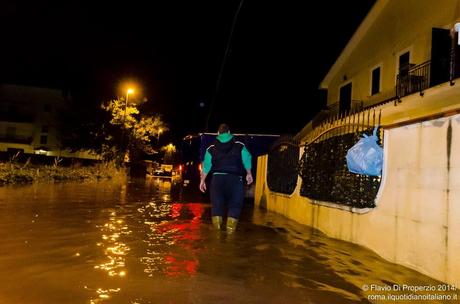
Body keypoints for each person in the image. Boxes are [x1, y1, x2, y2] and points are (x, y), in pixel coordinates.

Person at [199, 123, 253, 233]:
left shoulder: (211, 148)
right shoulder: (239, 145)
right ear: (229, 132)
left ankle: (217, 237)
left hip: (217, 180)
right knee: (235, 206)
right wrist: (249, 173)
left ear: (218, 133)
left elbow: (206, 167)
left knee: (217, 206)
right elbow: (247, 158)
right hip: (235, 180)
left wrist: (202, 181)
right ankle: (230, 235)